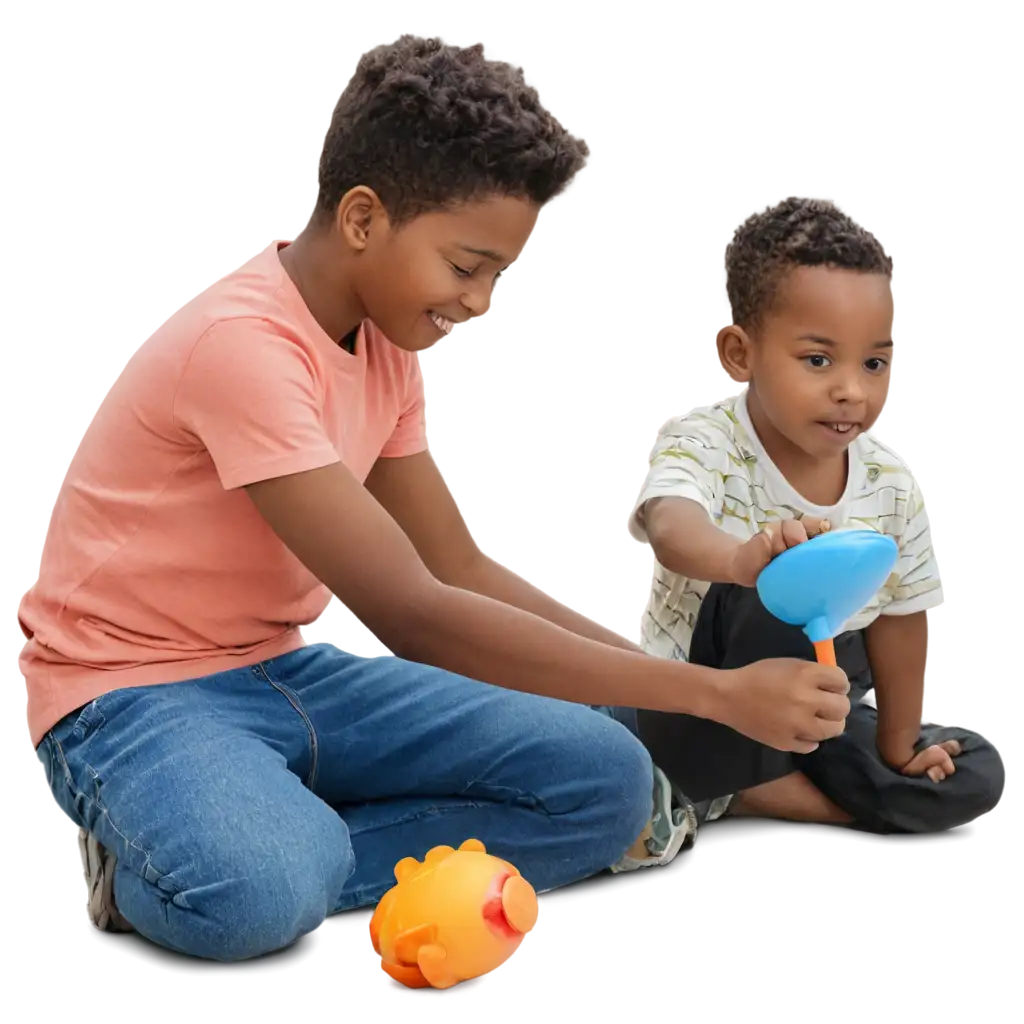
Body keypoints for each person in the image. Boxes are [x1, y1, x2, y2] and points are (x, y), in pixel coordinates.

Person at [16, 38, 851, 965]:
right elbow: (413, 612)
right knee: (258, 897)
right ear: (365, 217)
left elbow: (459, 568)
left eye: (496, 274)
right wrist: (713, 693)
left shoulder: (383, 347)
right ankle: (178, 864)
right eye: (466, 265)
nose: (481, 302)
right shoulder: (240, 348)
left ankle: (259, 824)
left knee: (608, 782)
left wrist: (682, 709)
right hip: (133, 695)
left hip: (280, 670)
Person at [626, 193, 1003, 837]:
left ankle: (758, 790)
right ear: (740, 353)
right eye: (818, 360)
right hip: (715, 680)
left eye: (874, 362)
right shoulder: (705, 436)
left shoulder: (890, 479)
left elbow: (903, 619)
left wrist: (899, 747)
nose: (851, 389)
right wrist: (741, 560)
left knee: (978, 769)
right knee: (775, 593)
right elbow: (671, 526)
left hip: (829, 679)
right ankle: (771, 784)